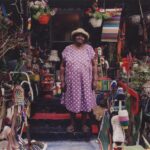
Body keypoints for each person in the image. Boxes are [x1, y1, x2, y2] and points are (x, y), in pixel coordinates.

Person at [60, 28, 97, 133]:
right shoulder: (68, 49)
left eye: (82, 35)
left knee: (85, 101)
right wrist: (62, 81)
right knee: (72, 101)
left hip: (86, 82)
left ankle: (83, 124)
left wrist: (95, 80)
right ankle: (72, 124)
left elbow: (94, 66)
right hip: (71, 82)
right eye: (78, 35)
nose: (80, 37)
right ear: (74, 37)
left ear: (85, 38)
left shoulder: (89, 49)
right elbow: (62, 66)